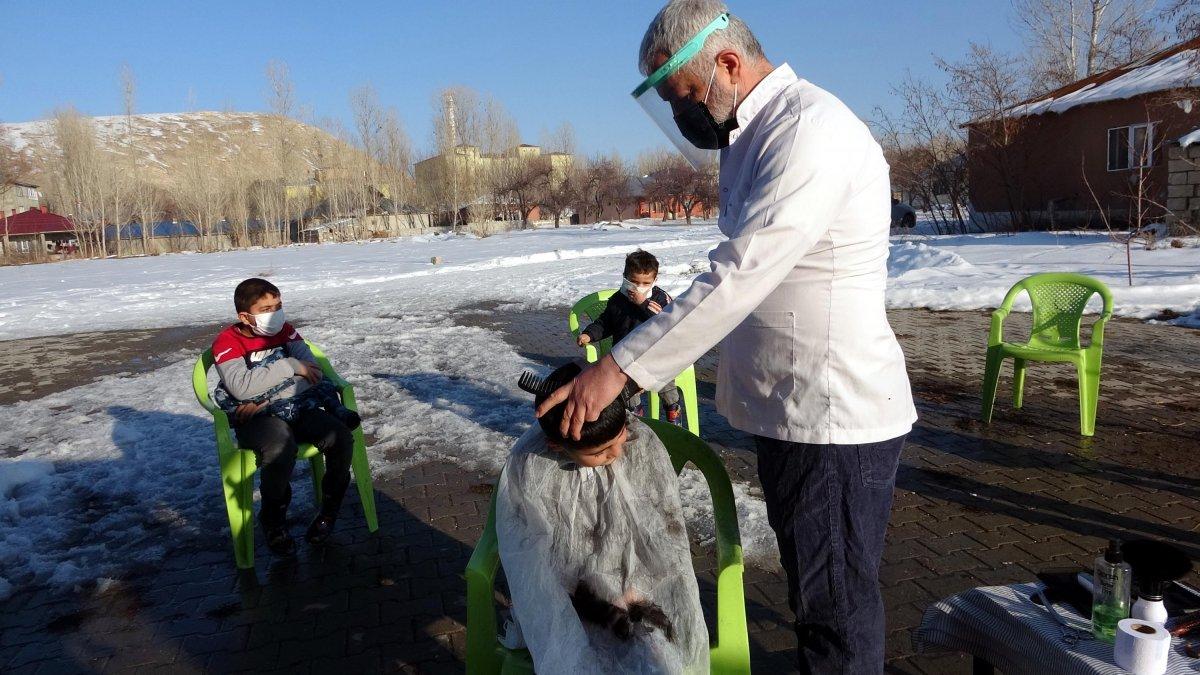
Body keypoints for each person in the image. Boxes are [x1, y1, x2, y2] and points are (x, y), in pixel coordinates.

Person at [536, 1, 918, 672]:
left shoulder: (810, 131)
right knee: (818, 594)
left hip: (833, 419)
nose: (684, 118)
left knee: (838, 614)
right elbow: (735, 274)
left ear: (729, 64)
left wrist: (618, 369)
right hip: (792, 415)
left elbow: (740, 277)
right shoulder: (754, 134)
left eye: (684, 99)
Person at [496, 362, 708, 672]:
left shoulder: (642, 445)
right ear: (557, 446)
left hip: (637, 582)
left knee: (654, 649)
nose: (616, 454)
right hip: (573, 590)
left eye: (619, 437)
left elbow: (660, 528)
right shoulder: (536, 466)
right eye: (600, 452)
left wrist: (630, 580)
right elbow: (534, 549)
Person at [211, 277, 356, 554]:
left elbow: (313, 373)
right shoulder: (227, 342)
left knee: (340, 436)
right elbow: (241, 388)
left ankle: (329, 511)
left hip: (296, 406)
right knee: (281, 446)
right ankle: (273, 520)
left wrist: (264, 398)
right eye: (266, 309)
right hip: (255, 420)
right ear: (245, 316)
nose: (275, 313)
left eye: (278, 305)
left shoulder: (286, 331)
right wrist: (290, 365)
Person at [577, 250, 683, 425]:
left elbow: (665, 321)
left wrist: (643, 303)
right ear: (625, 277)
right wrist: (590, 334)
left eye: (645, 283)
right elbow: (605, 322)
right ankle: (636, 421)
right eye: (634, 282)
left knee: (666, 386)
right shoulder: (617, 300)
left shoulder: (659, 298)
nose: (639, 287)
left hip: (655, 356)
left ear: (654, 281)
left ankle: (674, 417)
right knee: (628, 394)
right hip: (626, 359)